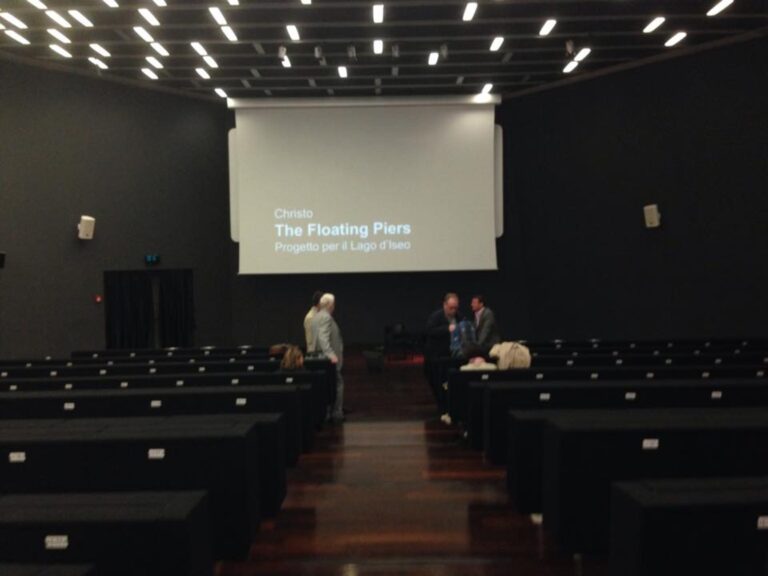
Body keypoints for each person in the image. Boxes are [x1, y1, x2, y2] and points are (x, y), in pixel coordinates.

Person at [425, 293, 462, 420]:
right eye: (451, 307)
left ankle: (449, 407)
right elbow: (430, 331)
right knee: (437, 383)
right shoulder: (436, 317)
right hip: (436, 357)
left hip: (452, 357)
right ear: (444, 305)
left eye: (455, 308)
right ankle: (441, 407)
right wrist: (447, 328)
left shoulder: (459, 317)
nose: (453, 311)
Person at [310, 293, 345, 422]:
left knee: (325, 387)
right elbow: (323, 339)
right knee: (337, 384)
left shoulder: (315, 317)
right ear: (330, 305)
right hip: (329, 361)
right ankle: (337, 413)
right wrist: (332, 356)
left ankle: (326, 413)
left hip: (319, 359)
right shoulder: (326, 318)